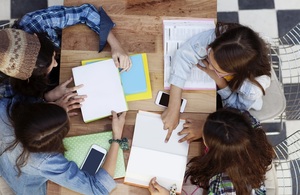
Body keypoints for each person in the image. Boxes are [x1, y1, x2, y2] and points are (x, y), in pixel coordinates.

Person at [162, 22, 271, 142]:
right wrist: (174, 105)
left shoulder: (251, 89)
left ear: (234, 73)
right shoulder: (224, 37)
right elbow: (184, 54)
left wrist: (220, 81)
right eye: (209, 54)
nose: (209, 68)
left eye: (217, 69)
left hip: (236, 99)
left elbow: (236, 109)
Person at [0, 97, 127, 195]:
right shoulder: (46, 161)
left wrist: (52, 109)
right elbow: (99, 189)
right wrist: (117, 136)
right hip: (28, 187)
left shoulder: (4, 108)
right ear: (54, 142)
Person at [148, 108, 275, 195]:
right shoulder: (247, 121)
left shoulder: (222, 187)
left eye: (205, 138)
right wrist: (206, 127)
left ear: (216, 154)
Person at [13, 3, 132, 71]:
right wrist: (48, 97)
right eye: (48, 64)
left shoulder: (34, 22)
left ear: (37, 37)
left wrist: (116, 45)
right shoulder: (6, 88)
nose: (56, 64)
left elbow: (86, 12)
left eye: (52, 56)